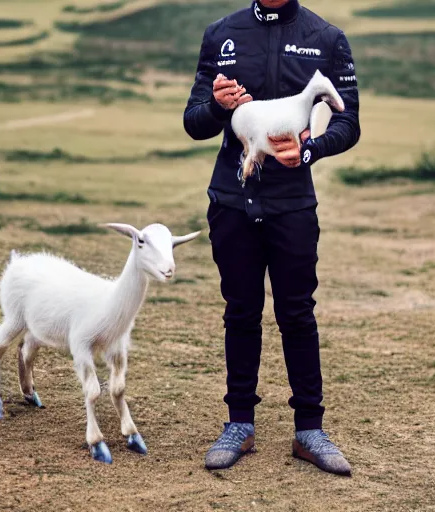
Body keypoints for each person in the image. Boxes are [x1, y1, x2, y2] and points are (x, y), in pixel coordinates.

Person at [183, 0, 360, 476]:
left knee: (297, 314)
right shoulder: (221, 33)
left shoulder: (327, 38)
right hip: (231, 202)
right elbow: (194, 121)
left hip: (293, 207)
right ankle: (239, 425)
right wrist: (219, 107)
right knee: (241, 312)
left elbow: (349, 123)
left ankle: (310, 430)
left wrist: (309, 150)